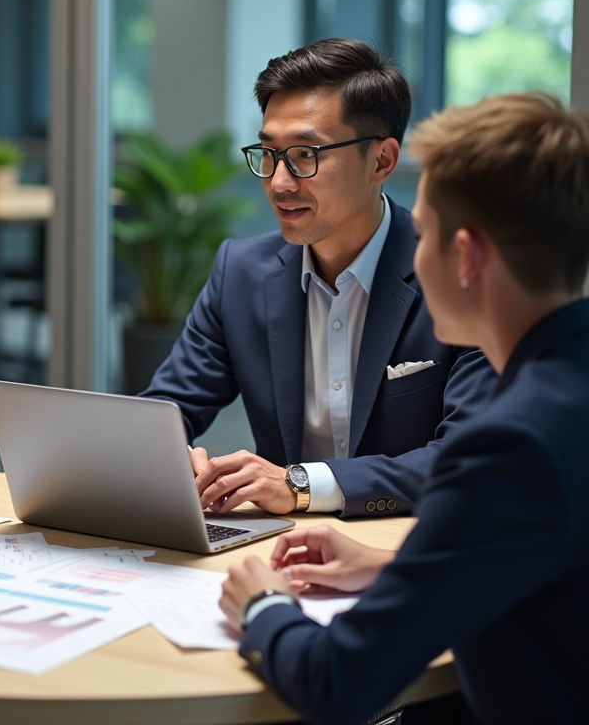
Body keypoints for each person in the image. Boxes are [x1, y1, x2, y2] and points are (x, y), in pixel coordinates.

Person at [219, 92, 589, 724]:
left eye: (427, 234)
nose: (412, 254)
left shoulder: (510, 445)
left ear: (466, 256)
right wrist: (399, 565)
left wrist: (265, 606)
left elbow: (340, 682)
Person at [140, 38, 496, 518]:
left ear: (382, 161)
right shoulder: (240, 272)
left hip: (404, 546)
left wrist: (301, 485)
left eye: (306, 155)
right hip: (283, 547)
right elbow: (168, 409)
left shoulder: (460, 276)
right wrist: (171, 457)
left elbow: (468, 458)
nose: (280, 182)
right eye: (269, 153)